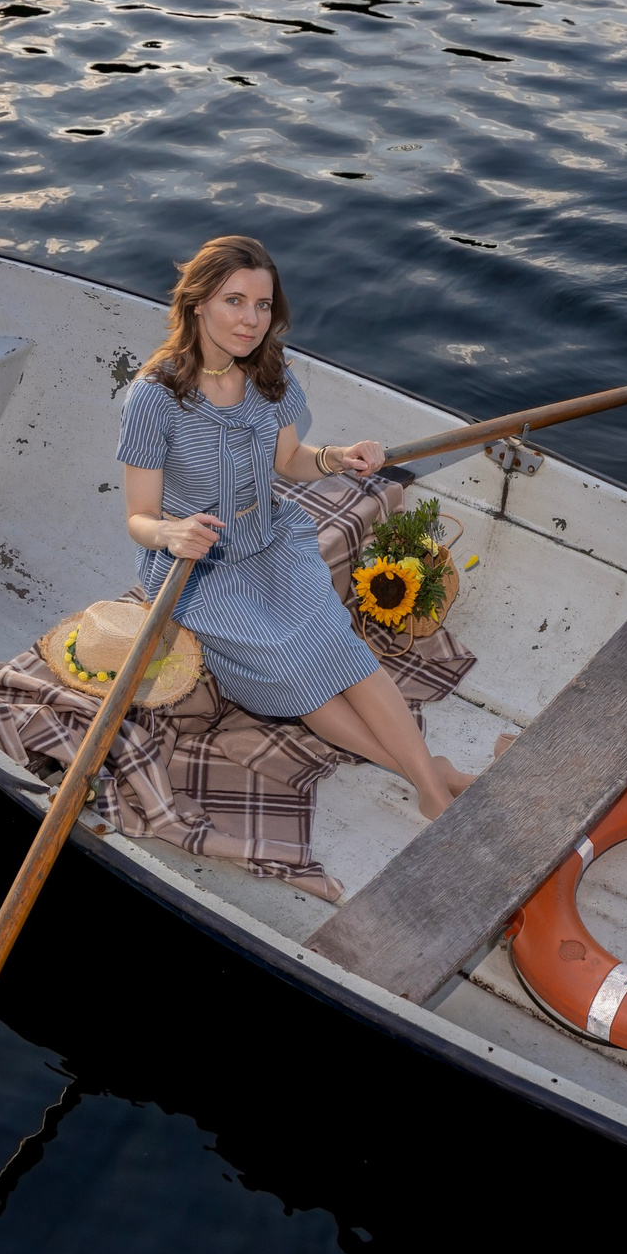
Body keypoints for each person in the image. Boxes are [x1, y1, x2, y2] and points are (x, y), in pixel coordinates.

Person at [119, 235, 476, 819]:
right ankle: (424, 772)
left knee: (336, 643)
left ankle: (432, 789)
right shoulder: (153, 398)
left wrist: (337, 457)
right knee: (290, 660)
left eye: (262, 306)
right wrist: (171, 532)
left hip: (273, 540)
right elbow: (138, 518)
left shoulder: (267, 371)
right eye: (235, 301)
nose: (251, 320)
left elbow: (290, 462)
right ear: (197, 302)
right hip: (199, 568)